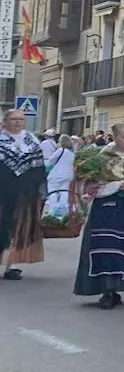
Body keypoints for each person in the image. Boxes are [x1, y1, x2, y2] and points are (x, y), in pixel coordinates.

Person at [73, 123, 124, 309]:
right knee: (106, 247)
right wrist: (103, 189)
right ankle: (107, 291)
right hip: (106, 207)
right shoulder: (103, 157)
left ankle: (117, 287)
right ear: (114, 137)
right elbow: (93, 183)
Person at [0, 109, 47, 280]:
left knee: (19, 228)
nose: (18, 122)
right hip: (2, 191)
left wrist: (41, 190)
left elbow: (39, 166)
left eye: (21, 119)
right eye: (14, 119)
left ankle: (12, 265)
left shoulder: (31, 140)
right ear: (5, 121)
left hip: (25, 192)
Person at [44, 134, 76, 218]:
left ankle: (53, 210)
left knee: (52, 191)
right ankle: (62, 210)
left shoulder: (60, 150)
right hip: (68, 175)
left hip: (57, 174)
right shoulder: (72, 153)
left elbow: (51, 160)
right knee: (64, 192)